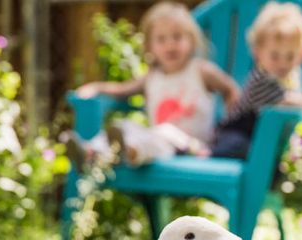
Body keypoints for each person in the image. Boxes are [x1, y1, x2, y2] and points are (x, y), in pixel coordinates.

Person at [68, 2, 239, 166]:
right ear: (150, 46)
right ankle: (91, 151)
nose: (170, 45)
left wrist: (229, 126)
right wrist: (97, 87)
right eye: (161, 39)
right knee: (125, 126)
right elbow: (122, 89)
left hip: (193, 148)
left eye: (177, 37)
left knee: (162, 132)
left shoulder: (201, 71)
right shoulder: (151, 77)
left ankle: (129, 151)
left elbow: (231, 89)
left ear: (192, 41)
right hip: (157, 143)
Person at [211, 2, 302, 159]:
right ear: (257, 52)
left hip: (265, 137)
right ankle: (206, 152)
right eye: (275, 56)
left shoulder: (292, 76)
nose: (283, 63)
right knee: (237, 147)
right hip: (238, 132)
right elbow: (286, 100)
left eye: (290, 56)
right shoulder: (260, 78)